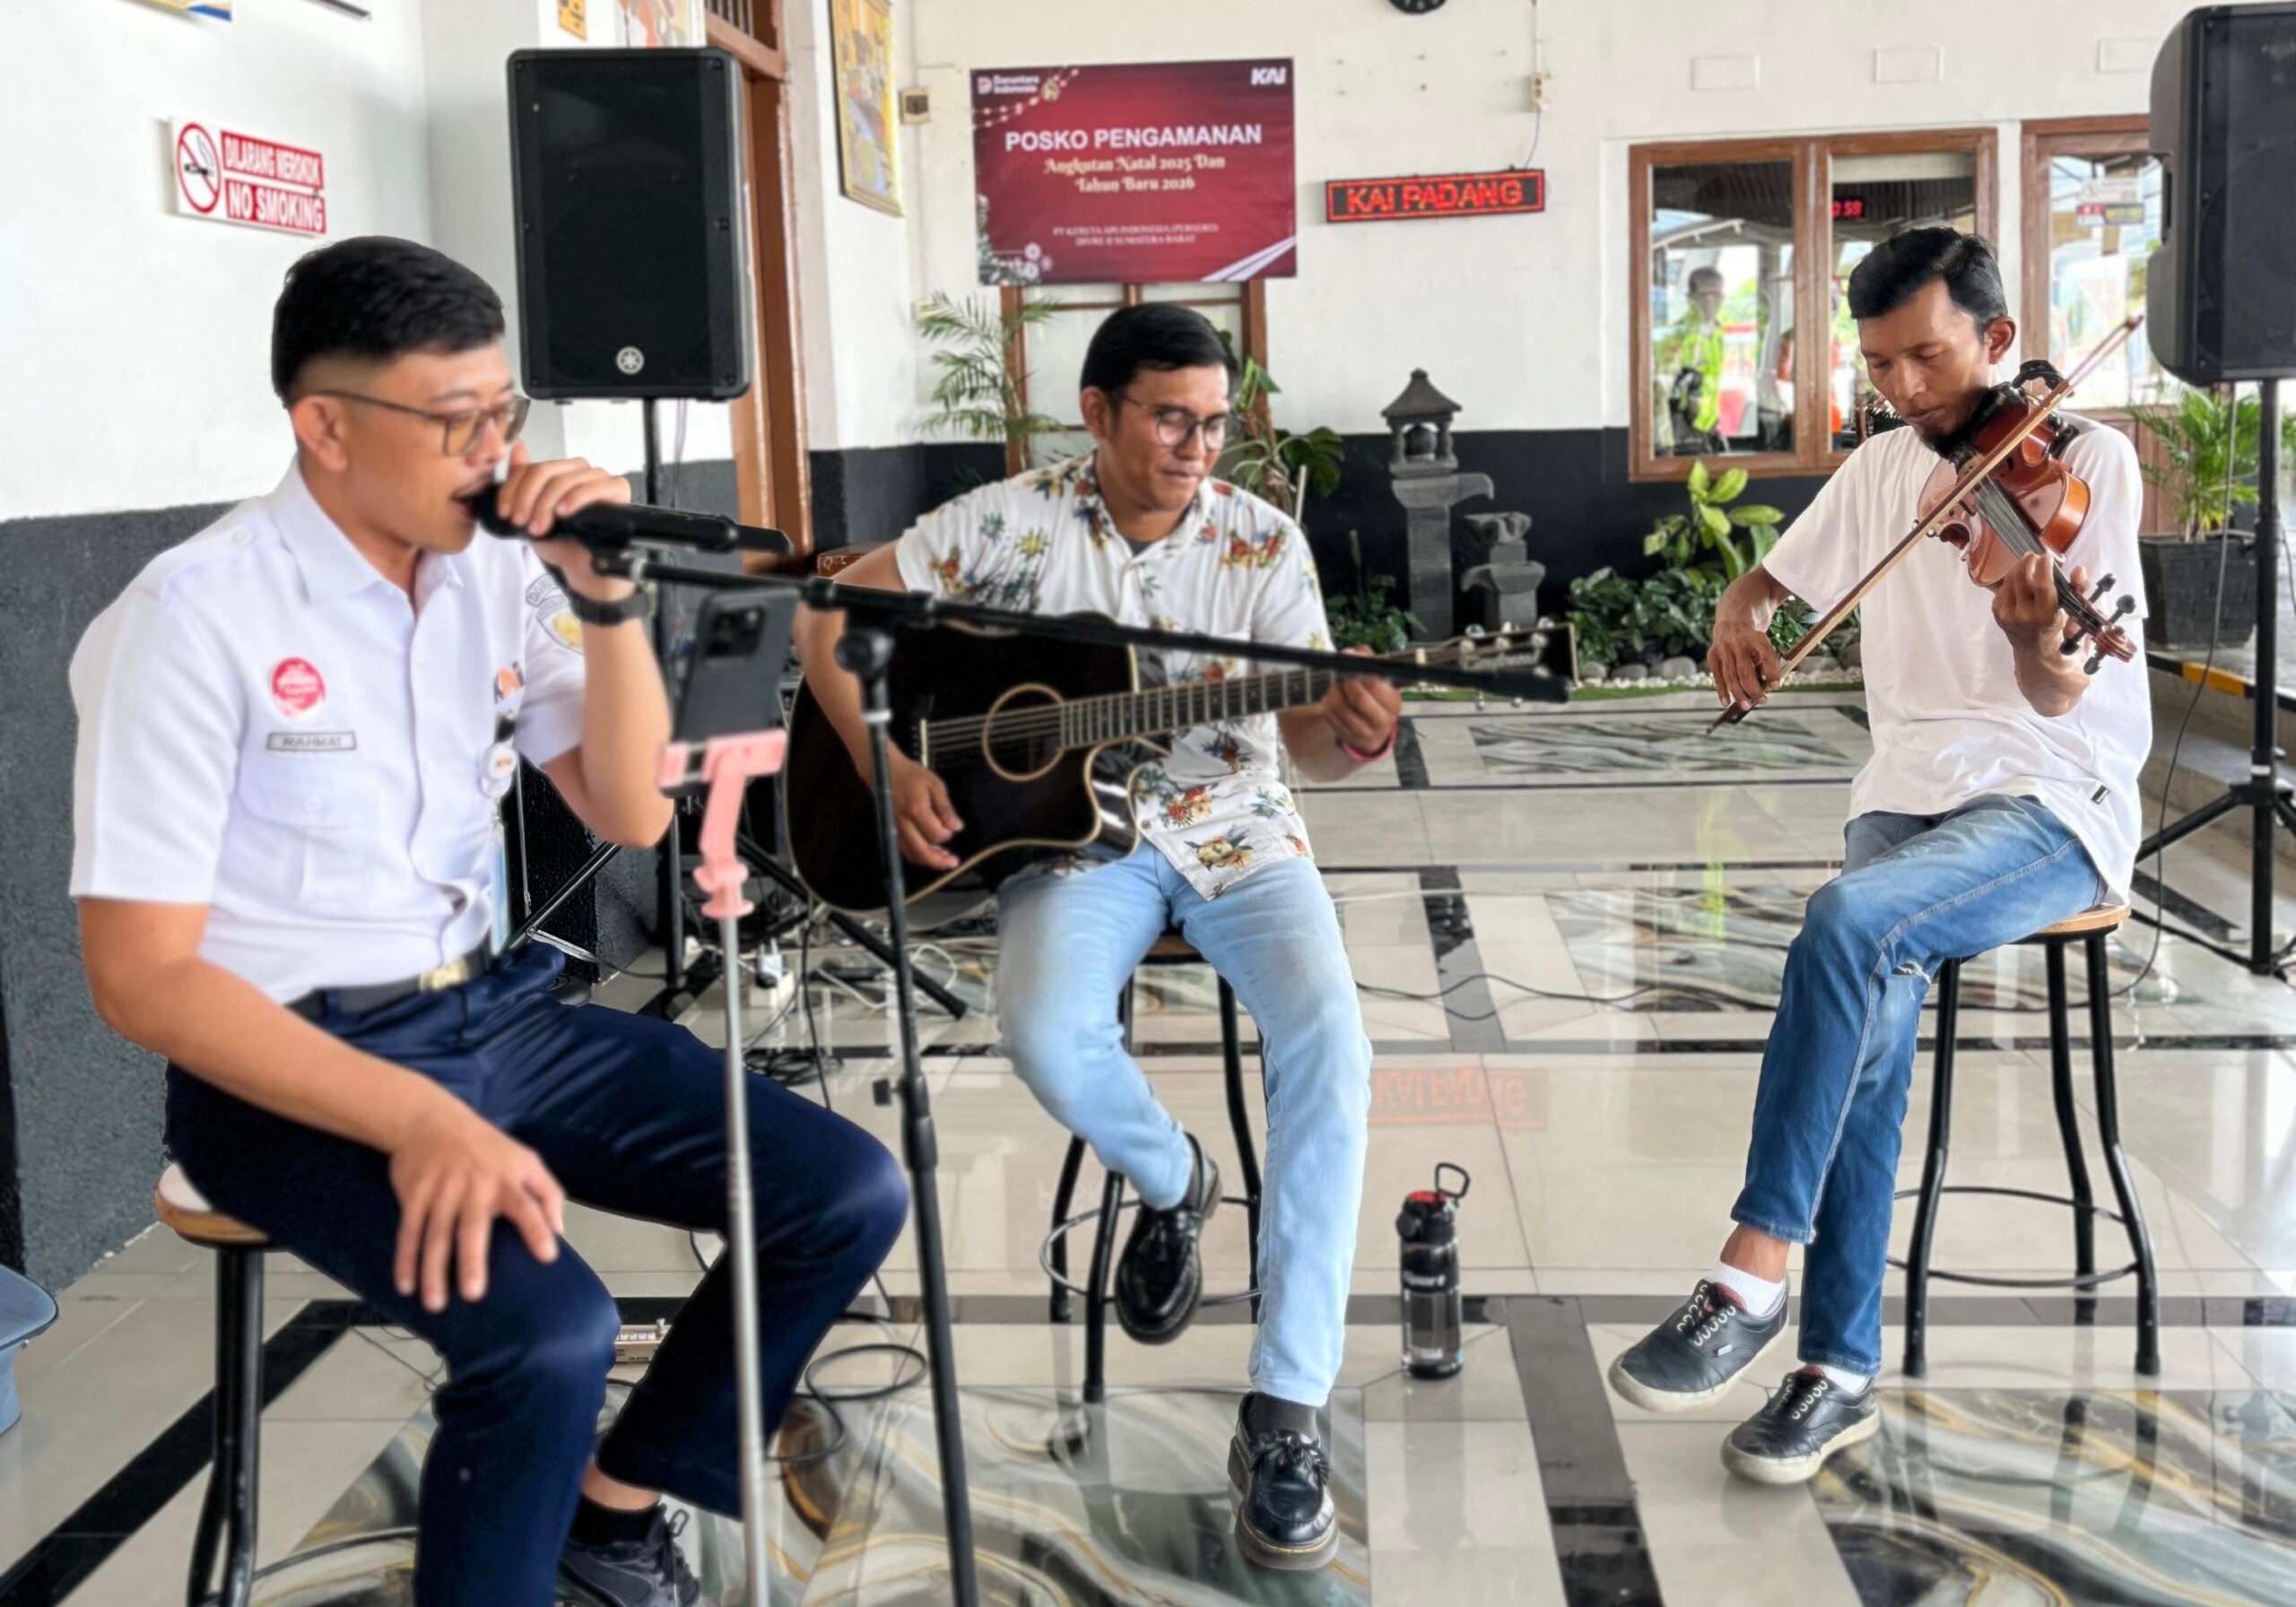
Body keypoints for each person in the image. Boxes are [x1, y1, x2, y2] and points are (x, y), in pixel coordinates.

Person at [70, 236, 909, 1607]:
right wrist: (416, 1120)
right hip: (286, 1067)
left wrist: (607, 603)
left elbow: (633, 814)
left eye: (502, 413)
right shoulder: (190, 619)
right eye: (452, 420)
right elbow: (141, 980)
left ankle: (611, 1519)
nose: (493, 454)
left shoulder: (491, 576)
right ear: (325, 427)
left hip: (491, 1013)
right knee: (550, 1333)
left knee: (841, 1191)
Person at [793, 303, 1391, 1571]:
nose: (1197, 448)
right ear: (1099, 413)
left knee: (1333, 1043)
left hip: (1237, 830)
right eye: (1171, 420)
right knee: (1041, 1027)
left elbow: (1311, 750)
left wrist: (1352, 730)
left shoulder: (1260, 542)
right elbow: (821, 617)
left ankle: (1287, 1407)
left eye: (1214, 424)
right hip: (1074, 844)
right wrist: (887, 762)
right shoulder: (1011, 523)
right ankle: (1174, 1179)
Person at [1606, 228, 2148, 1482]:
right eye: (1880, 364)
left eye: (1928, 358)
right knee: (1868, 1012)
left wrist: (2032, 638)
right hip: (1904, 798)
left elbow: (2061, 699)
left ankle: (1751, 1274)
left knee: (1849, 925)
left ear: (1997, 340)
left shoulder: (2088, 462)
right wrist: (1739, 613)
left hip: (2050, 803)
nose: (1903, 389)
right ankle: (1835, 1375)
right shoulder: (1882, 467)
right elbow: (1770, 582)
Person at [1660, 265, 1729, 454]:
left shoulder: (1718, 333)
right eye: (1704, 295)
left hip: (1709, 427)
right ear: (1690, 298)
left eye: (1717, 295)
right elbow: (1664, 387)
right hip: (1684, 428)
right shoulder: (1677, 335)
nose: (1711, 301)